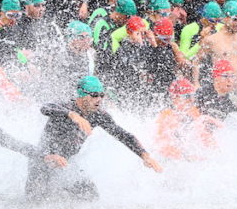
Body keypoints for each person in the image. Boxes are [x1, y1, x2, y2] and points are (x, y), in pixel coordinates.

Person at [26, 75, 162, 200]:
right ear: (82, 95)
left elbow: (123, 135)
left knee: (90, 194)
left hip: (66, 164)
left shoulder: (98, 115)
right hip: (42, 161)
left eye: (102, 95)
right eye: (94, 95)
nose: (99, 99)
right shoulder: (66, 107)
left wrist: (145, 156)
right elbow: (45, 108)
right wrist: (72, 115)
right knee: (36, 202)